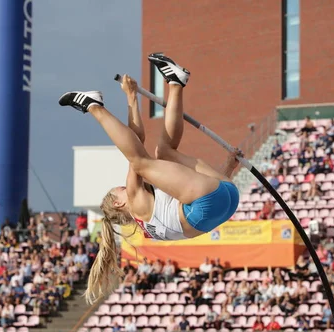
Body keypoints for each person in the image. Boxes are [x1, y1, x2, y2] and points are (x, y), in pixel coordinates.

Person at [59, 54, 241, 304]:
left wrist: (228, 167)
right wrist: (130, 99)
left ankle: (176, 83)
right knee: (142, 162)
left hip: (227, 197)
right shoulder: (136, 205)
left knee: (164, 153)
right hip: (206, 201)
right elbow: (136, 149)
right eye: (119, 190)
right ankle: (92, 106)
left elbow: (135, 141)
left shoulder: (149, 218)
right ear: (119, 204)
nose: (125, 186)